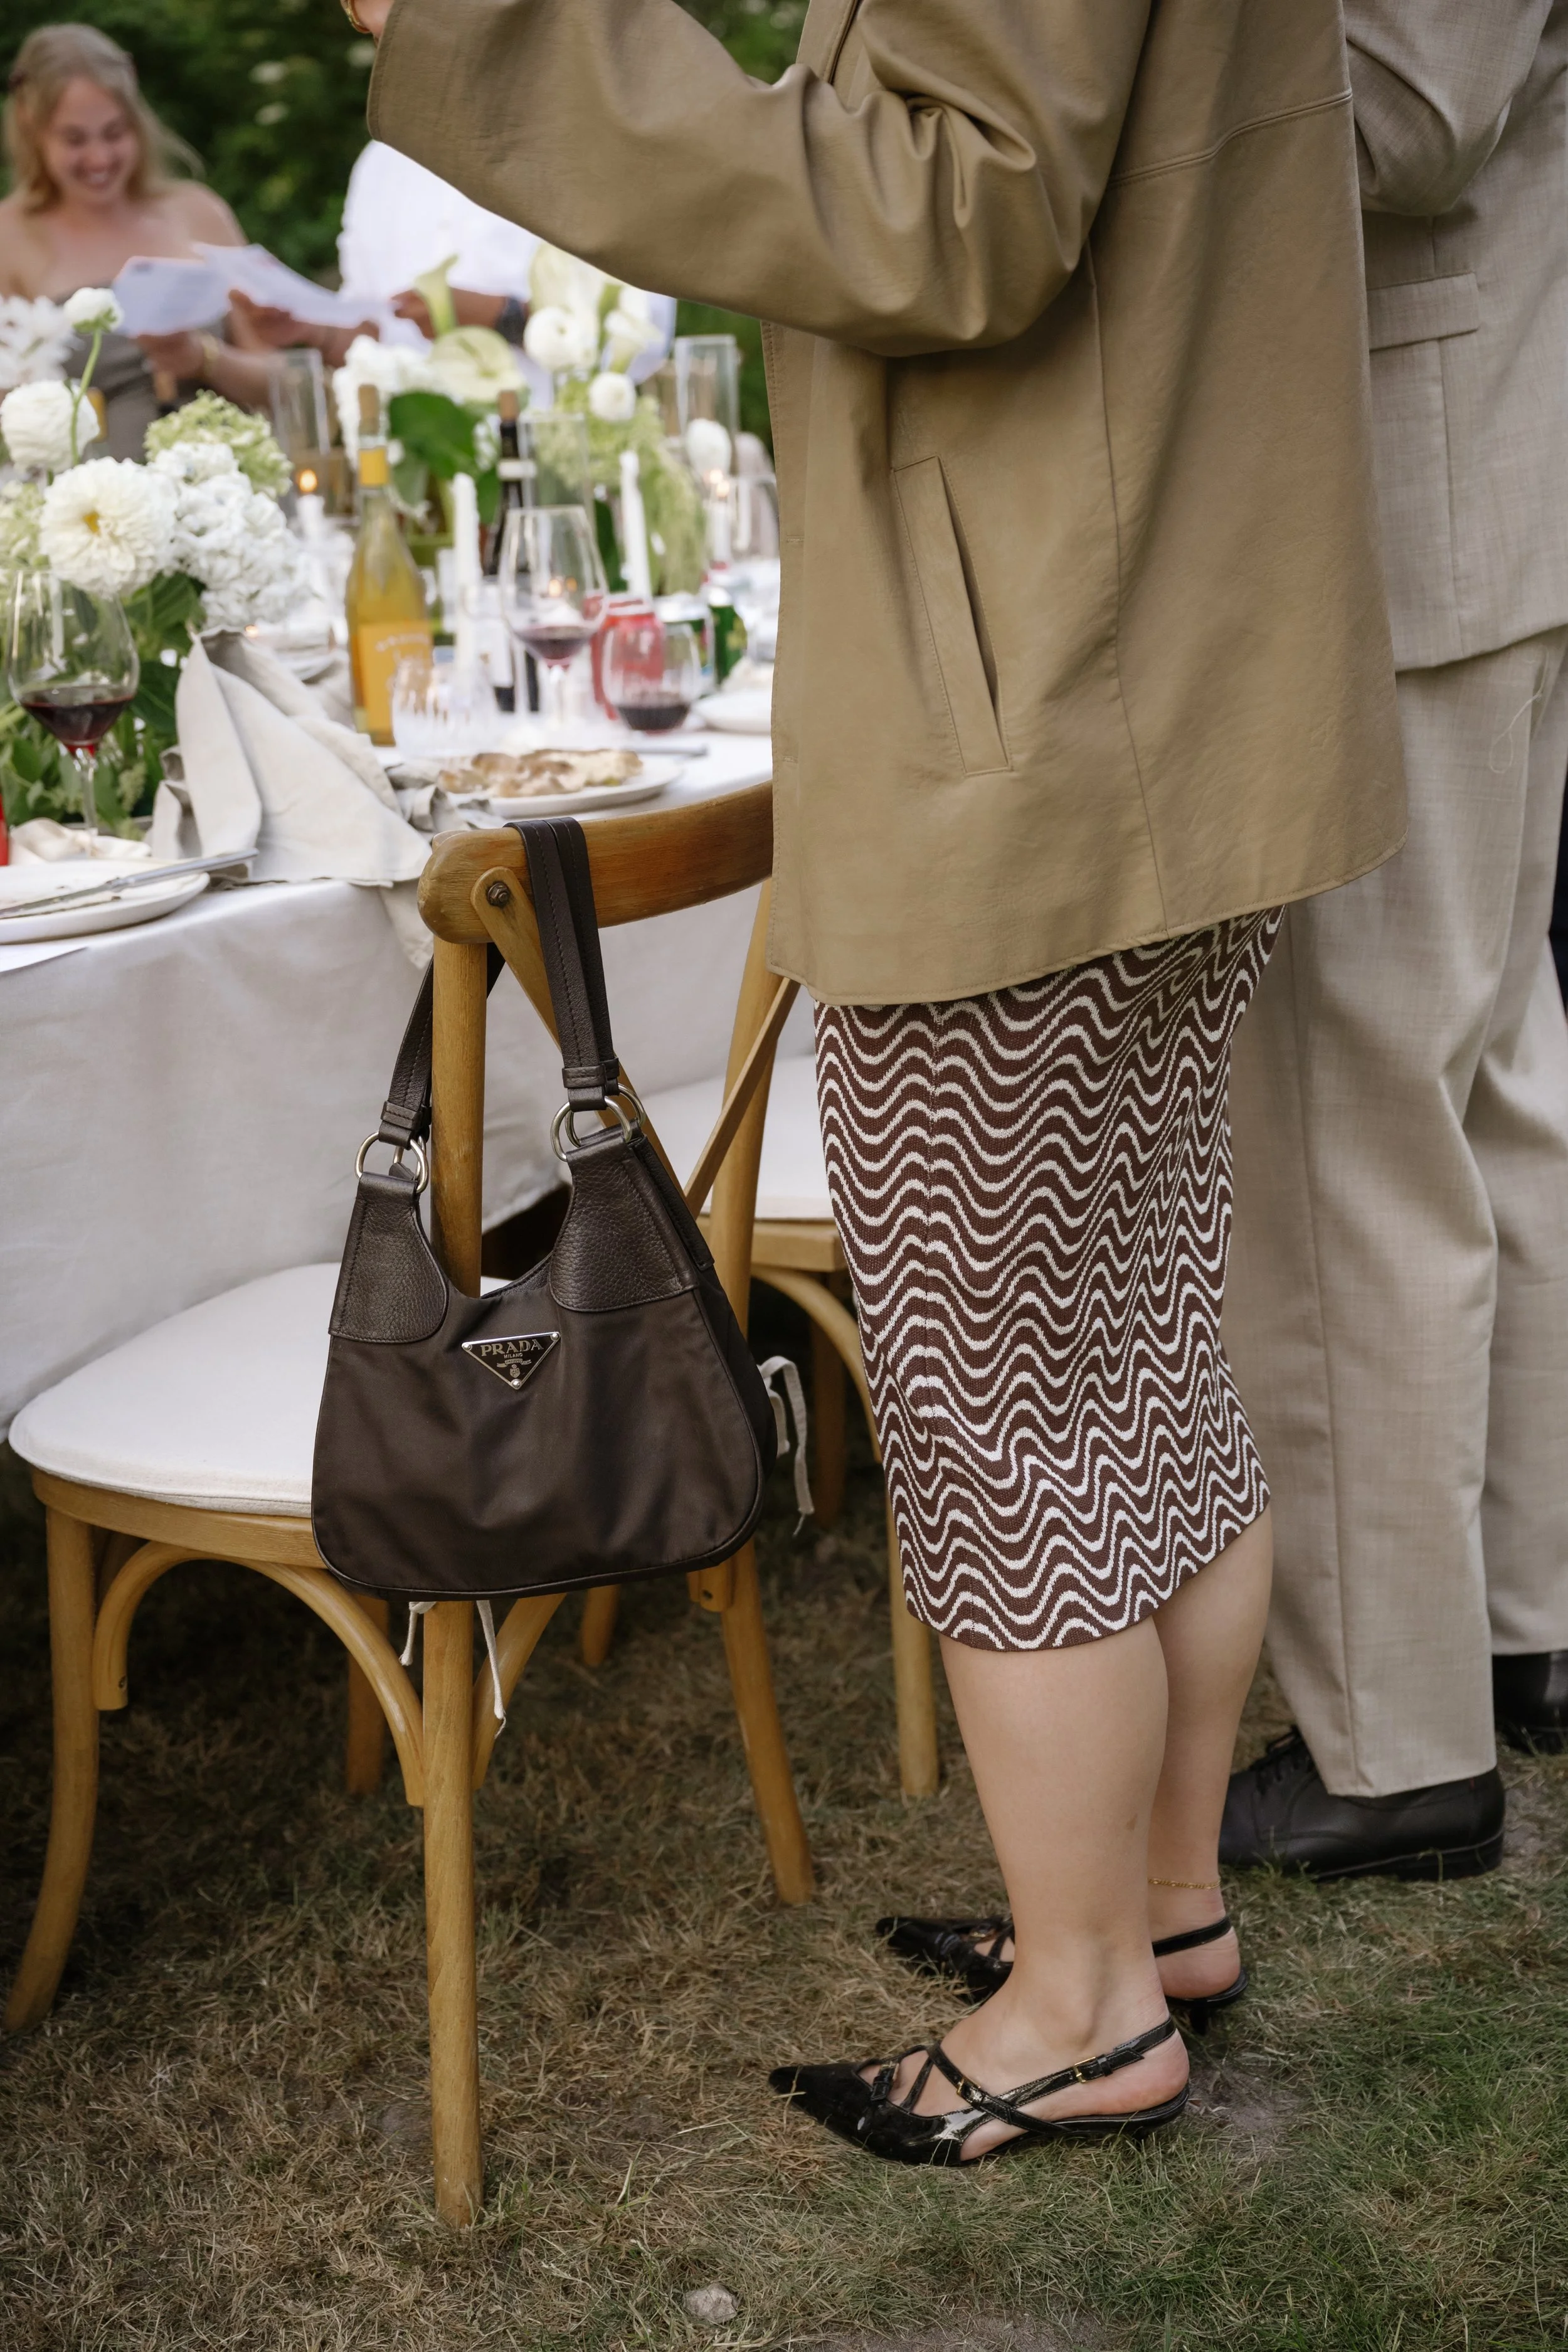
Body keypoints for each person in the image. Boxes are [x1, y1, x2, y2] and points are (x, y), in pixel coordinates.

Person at [345, 0, 1405, 2160]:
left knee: (999, 1393)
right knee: (1128, 1346)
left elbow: (957, 210)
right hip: (1145, 654)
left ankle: (1085, 2005)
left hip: (1039, 690)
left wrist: (505, 29)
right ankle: (1155, 1909)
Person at [1221, 2, 1568, 1882]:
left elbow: (1399, 112)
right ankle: (1521, 1616)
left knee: (1350, 1124)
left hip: (1402, 505)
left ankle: (1389, 1736)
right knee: (1487, 1079)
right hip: (1461, 484)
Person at [0, 24, 277, 458]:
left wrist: (203, 358)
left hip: (234, 490)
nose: (100, 158)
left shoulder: (198, 212)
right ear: (31, 128)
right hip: (92, 512)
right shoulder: (9, 237)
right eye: (74, 139)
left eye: (114, 133)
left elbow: (286, 381)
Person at [232, 142, 676, 401]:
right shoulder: (382, 160)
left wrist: (501, 317)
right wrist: (314, 331)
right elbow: (380, 332)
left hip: (565, 473)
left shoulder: (581, 135)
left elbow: (646, 328)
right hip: (420, 485)